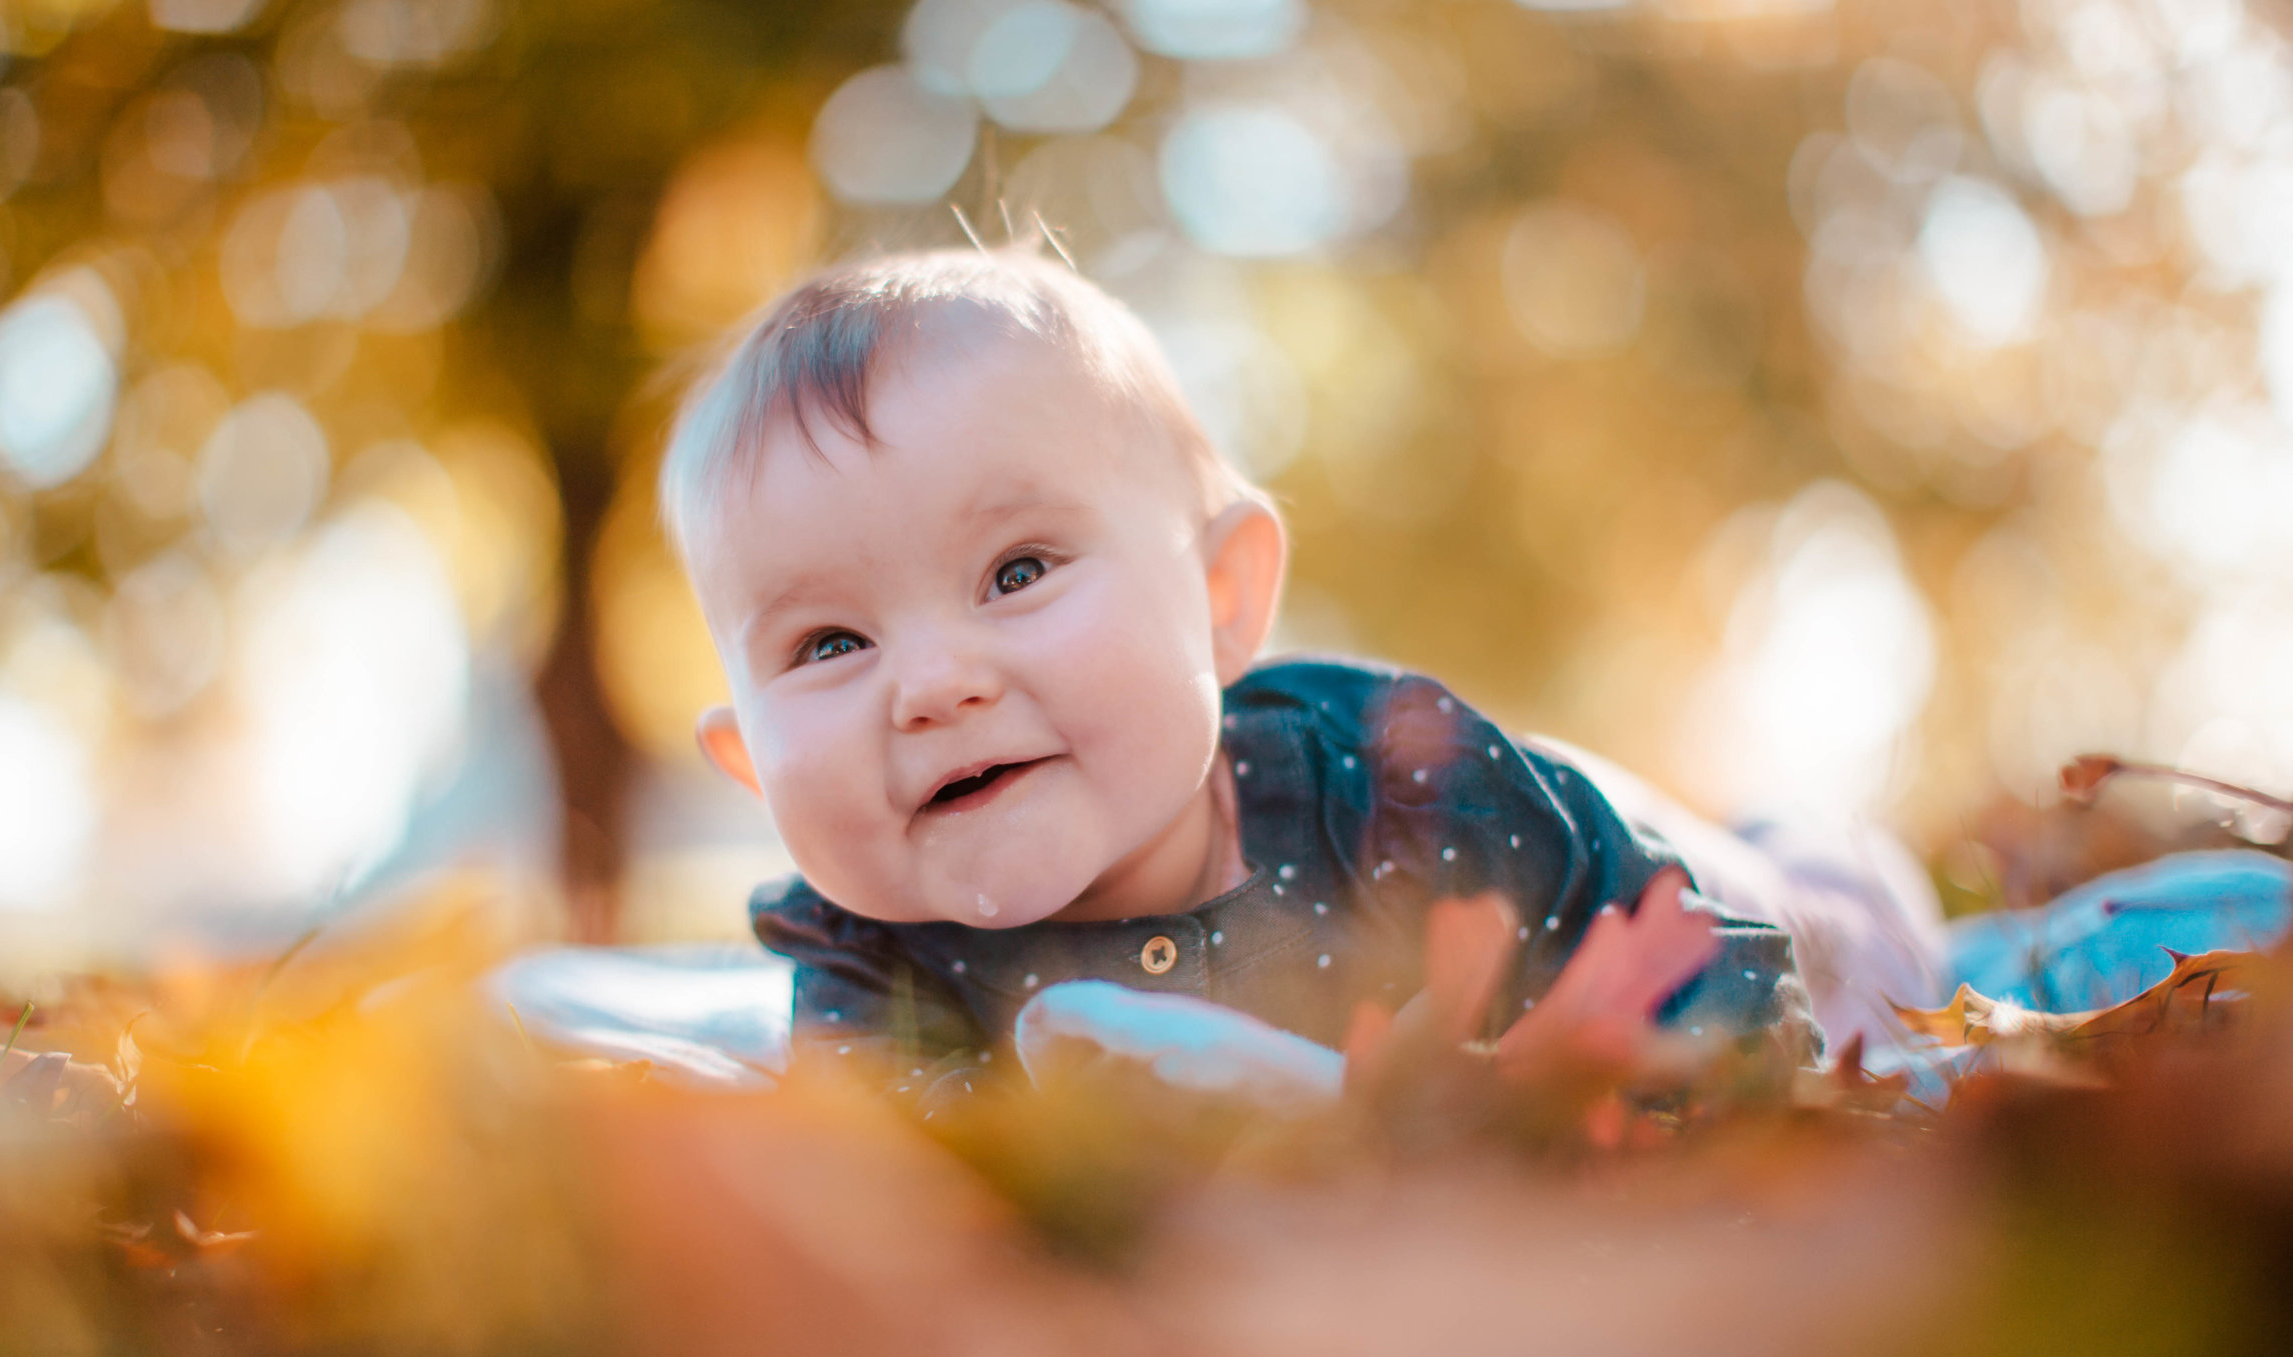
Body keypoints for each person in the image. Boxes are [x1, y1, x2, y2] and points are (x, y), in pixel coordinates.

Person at [658, 247, 1855, 1093]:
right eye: (828, 644)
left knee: (1846, 925)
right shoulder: (864, 953)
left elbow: (1719, 982)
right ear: (749, 765)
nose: (930, 685)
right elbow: (913, 1202)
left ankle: (1830, 858)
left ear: (1223, 597)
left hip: (1697, 858)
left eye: (1017, 570)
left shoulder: (1407, 796)